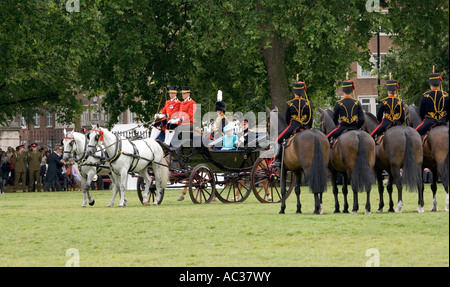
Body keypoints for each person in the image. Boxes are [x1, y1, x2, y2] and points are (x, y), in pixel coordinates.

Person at [271, 81, 313, 168]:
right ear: (303, 92)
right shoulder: (308, 103)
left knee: (278, 140)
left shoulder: (289, 103)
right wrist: (308, 127)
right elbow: (310, 119)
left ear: (294, 92)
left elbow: (287, 119)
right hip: (305, 127)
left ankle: (278, 161)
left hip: (293, 127)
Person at [326, 80, 365, 146]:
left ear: (343, 90)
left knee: (327, 138)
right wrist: (357, 126)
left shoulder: (339, 103)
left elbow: (334, 118)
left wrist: (336, 124)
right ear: (351, 90)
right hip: (355, 127)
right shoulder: (357, 102)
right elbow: (362, 119)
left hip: (342, 127)